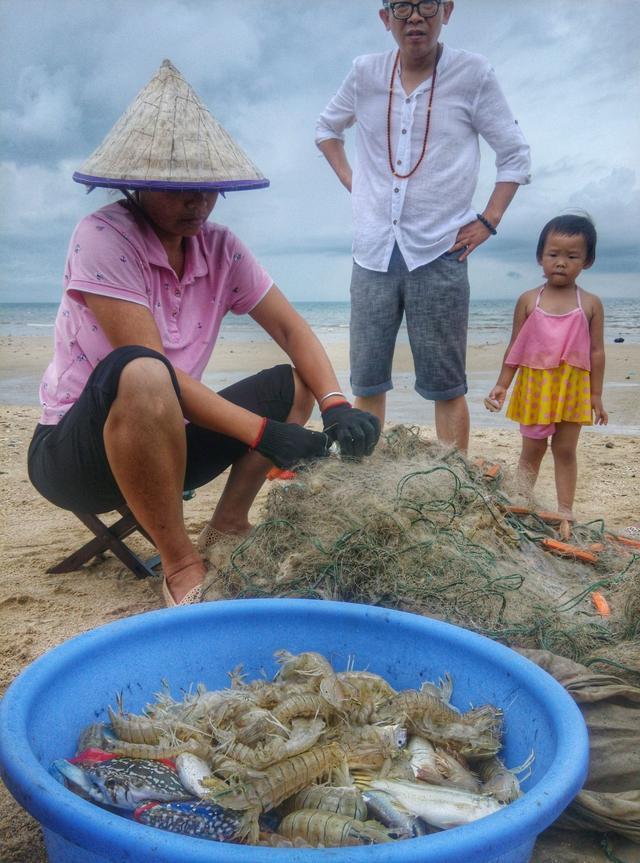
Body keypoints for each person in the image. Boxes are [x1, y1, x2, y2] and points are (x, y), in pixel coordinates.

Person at [28, 60, 380, 607]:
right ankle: (180, 561)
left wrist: (335, 404)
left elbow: (291, 327)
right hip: (77, 455)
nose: (198, 202)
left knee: (296, 383)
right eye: (181, 190)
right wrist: (267, 435)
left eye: (208, 189)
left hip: (165, 438)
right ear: (138, 185)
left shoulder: (220, 246)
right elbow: (149, 367)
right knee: (143, 372)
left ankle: (226, 526)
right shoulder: (102, 236)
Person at [315, 0, 531, 451]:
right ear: (385, 18)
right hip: (372, 250)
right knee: (368, 378)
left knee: (446, 384)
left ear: (446, 11)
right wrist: (352, 182)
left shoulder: (474, 74)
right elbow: (326, 129)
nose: (415, 16)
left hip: (440, 250)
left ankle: (455, 481)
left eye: (427, 5)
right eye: (402, 6)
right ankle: (363, 474)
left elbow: (515, 154)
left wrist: (488, 221)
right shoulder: (365, 73)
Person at [486, 214, 608, 522]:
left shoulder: (590, 303)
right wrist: (502, 384)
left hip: (572, 387)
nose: (561, 262)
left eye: (572, 256)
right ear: (540, 257)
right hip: (535, 386)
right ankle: (522, 502)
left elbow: (597, 351)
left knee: (565, 450)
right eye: (553, 254)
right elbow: (515, 347)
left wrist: (596, 396)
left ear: (587, 261)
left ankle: (565, 510)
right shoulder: (529, 300)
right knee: (533, 449)